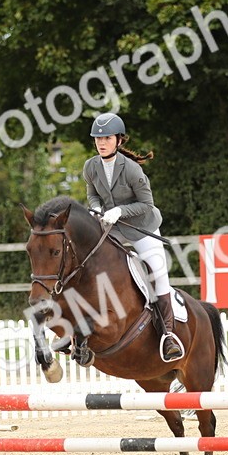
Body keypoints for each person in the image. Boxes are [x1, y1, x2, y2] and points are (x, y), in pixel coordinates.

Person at [83, 112, 185, 361]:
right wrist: (97, 209)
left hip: (142, 228)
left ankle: (168, 335)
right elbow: (93, 194)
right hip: (112, 227)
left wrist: (120, 210)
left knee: (158, 276)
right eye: (97, 138)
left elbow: (147, 204)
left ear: (119, 140)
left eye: (106, 137)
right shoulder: (91, 166)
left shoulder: (132, 170)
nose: (101, 142)